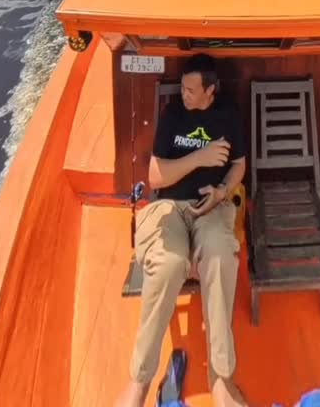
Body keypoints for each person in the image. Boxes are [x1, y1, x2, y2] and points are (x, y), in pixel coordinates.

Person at [116, 54, 247, 407]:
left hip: (212, 207)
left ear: (210, 91)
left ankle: (220, 378)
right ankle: (139, 381)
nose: (184, 94)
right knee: (169, 263)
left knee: (221, 256)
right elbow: (156, 177)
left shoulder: (228, 115)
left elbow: (238, 165)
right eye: (183, 88)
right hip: (169, 208)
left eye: (191, 90)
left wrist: (222, 192)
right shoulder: (173, 113)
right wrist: (200, 158)